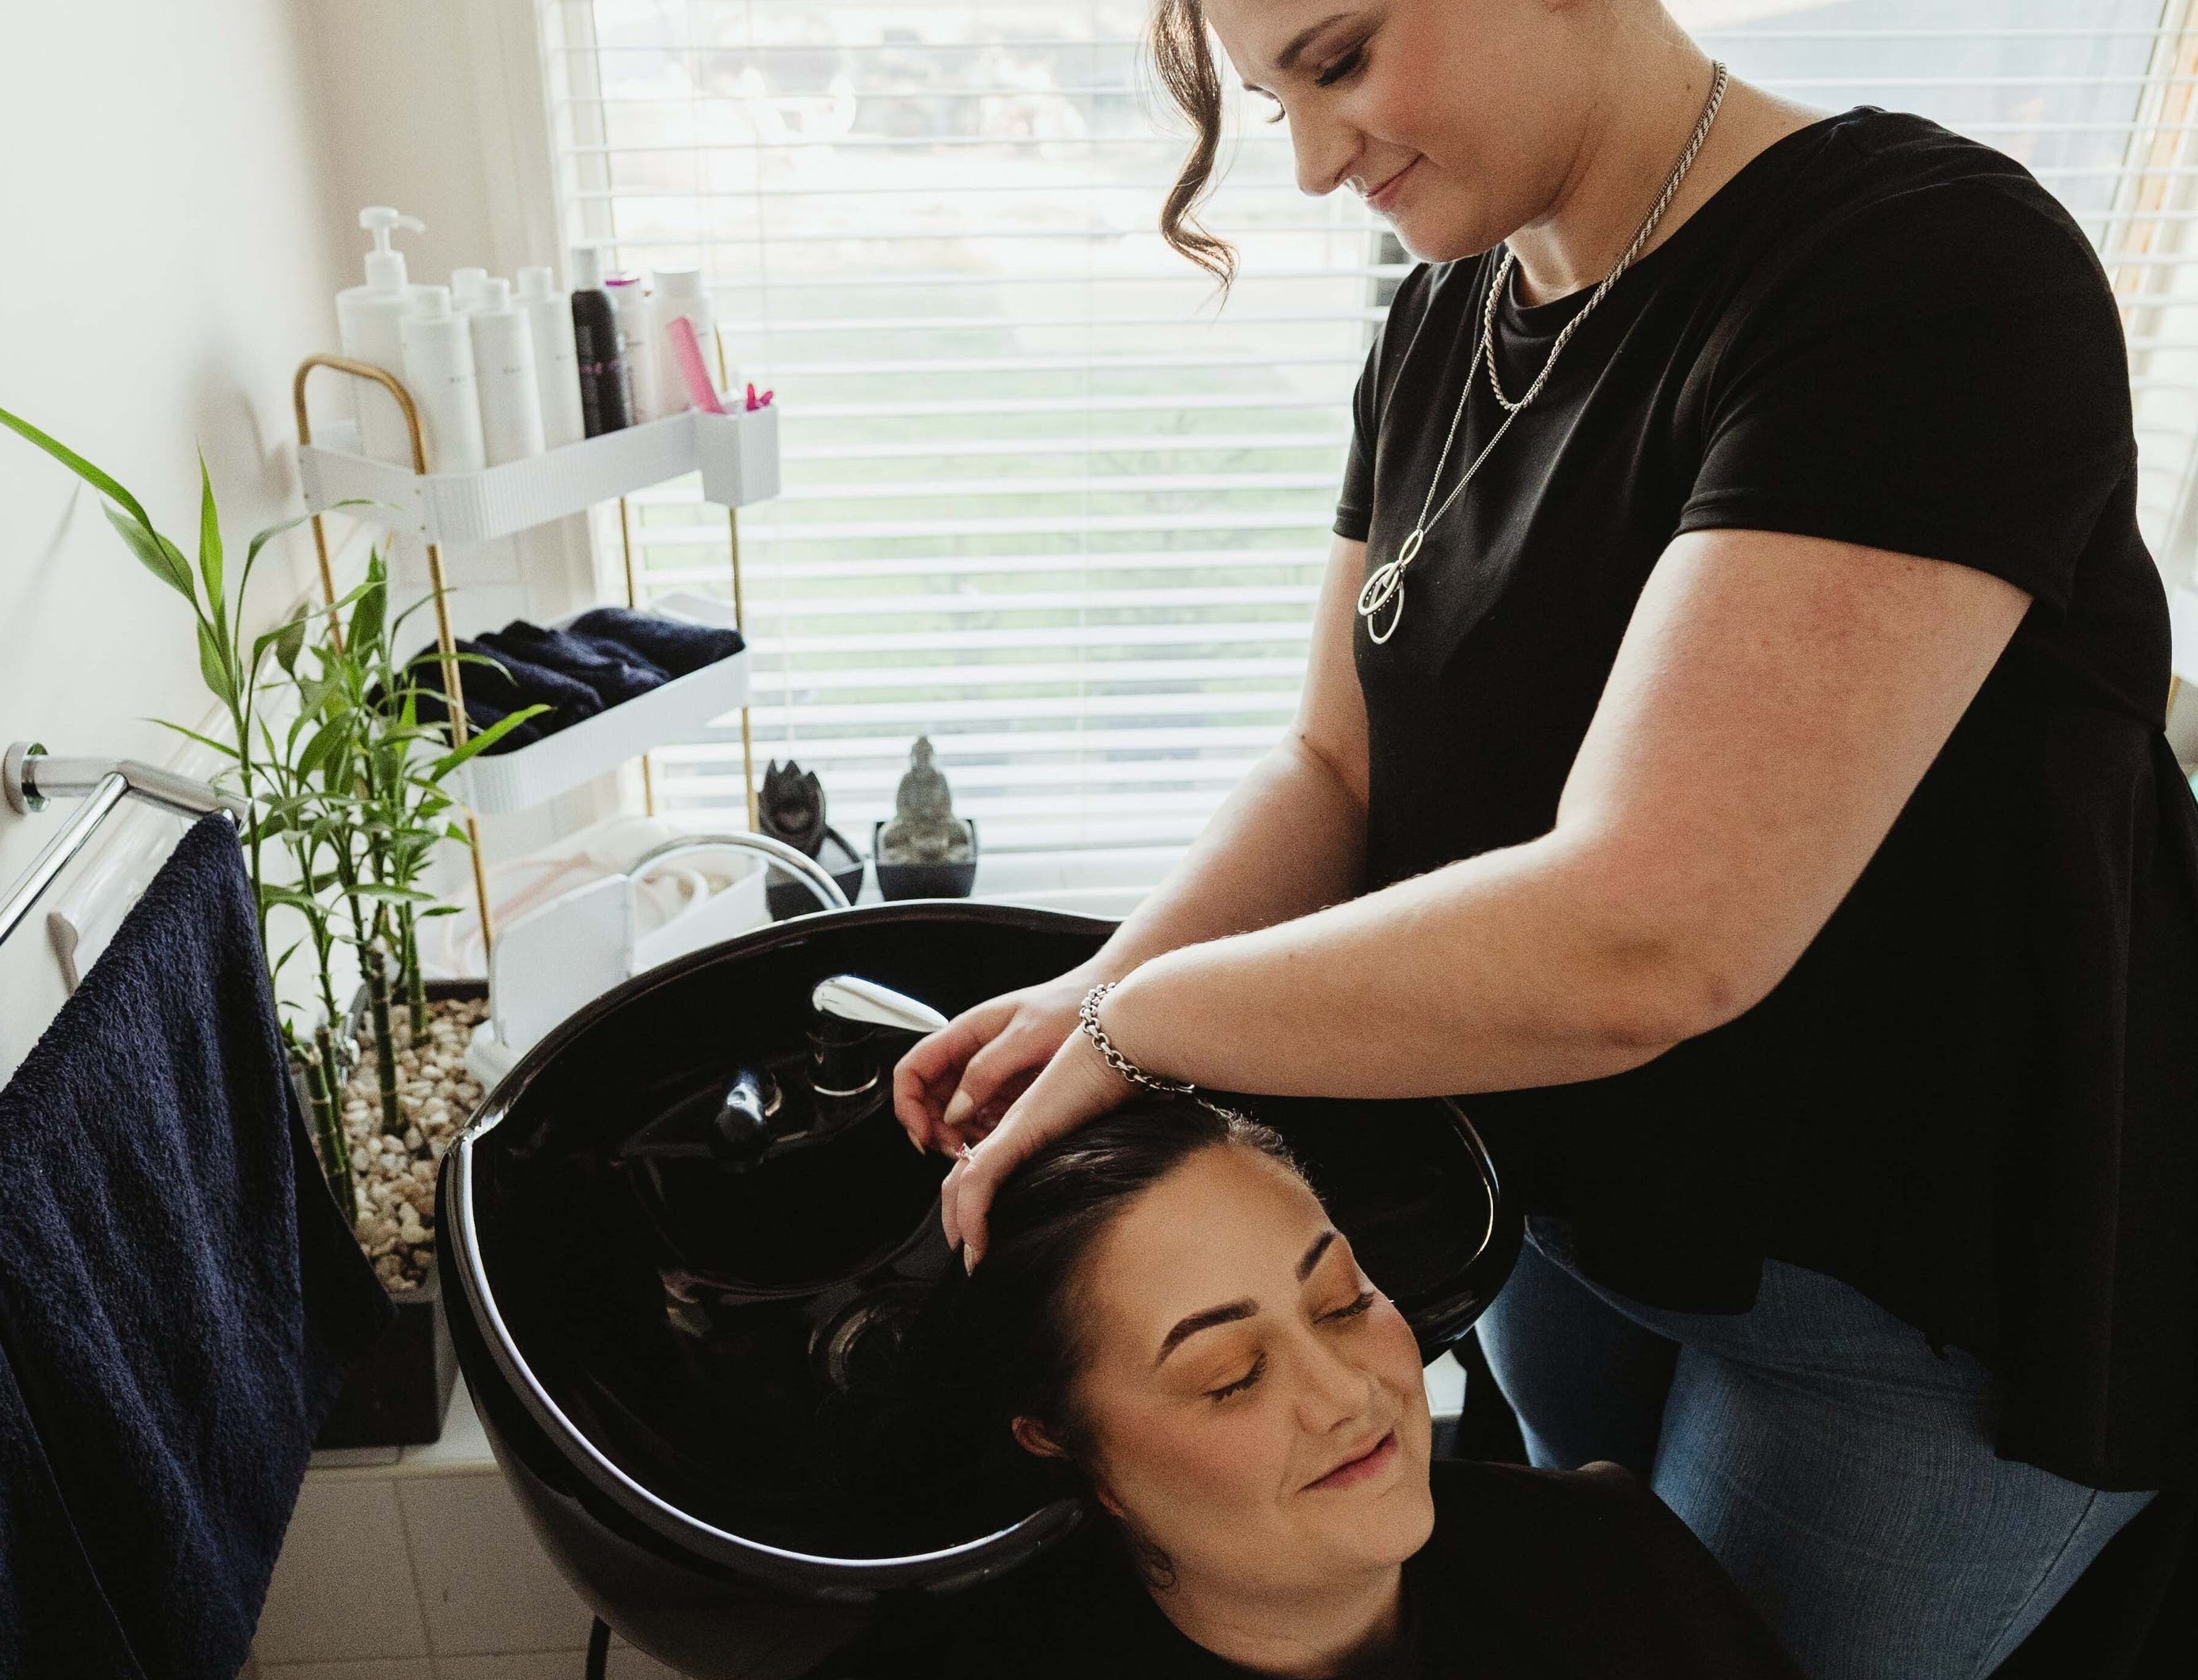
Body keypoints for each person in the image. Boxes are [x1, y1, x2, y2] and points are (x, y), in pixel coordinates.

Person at [892, 3, 2196, 1676]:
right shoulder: (1449, 304)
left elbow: (1656, 927)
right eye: (1272, 96)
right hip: (1566, 1212)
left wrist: (1141, 1025)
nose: (1307, 161)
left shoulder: (1921, 274)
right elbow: (1334, 769)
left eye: (1342, 59)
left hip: (1907, 1292)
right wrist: (1104, 978)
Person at [881, 1101, 1806, 1678]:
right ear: (1073, 1447)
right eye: (1231, 1377)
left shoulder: (1610, 1554)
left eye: (1343, 1300)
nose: (1348, 1393)